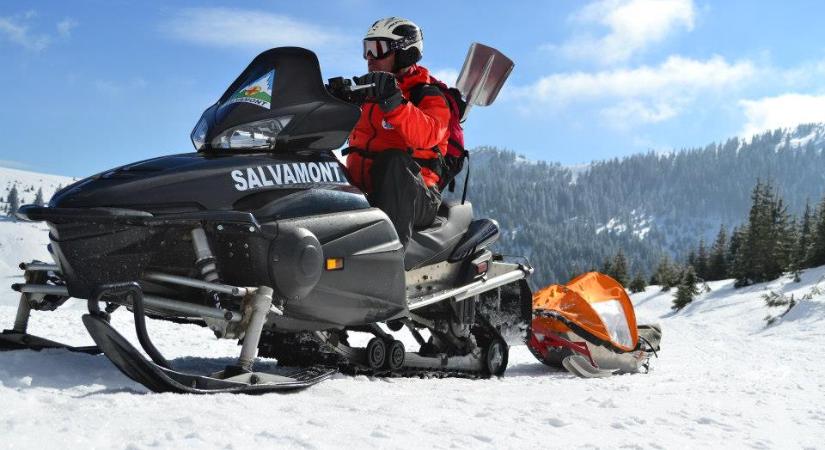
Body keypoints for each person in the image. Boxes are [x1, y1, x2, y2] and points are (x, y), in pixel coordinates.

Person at [346, 17, 450, 248]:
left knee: (394, 162)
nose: (370, 58)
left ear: (405, 54)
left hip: (417, 195)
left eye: (378, 49)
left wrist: (395, 103)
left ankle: (388, 262)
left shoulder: (428, 95)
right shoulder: (367, 95)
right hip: (365, 191)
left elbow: (429, 134)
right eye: (367, 50)